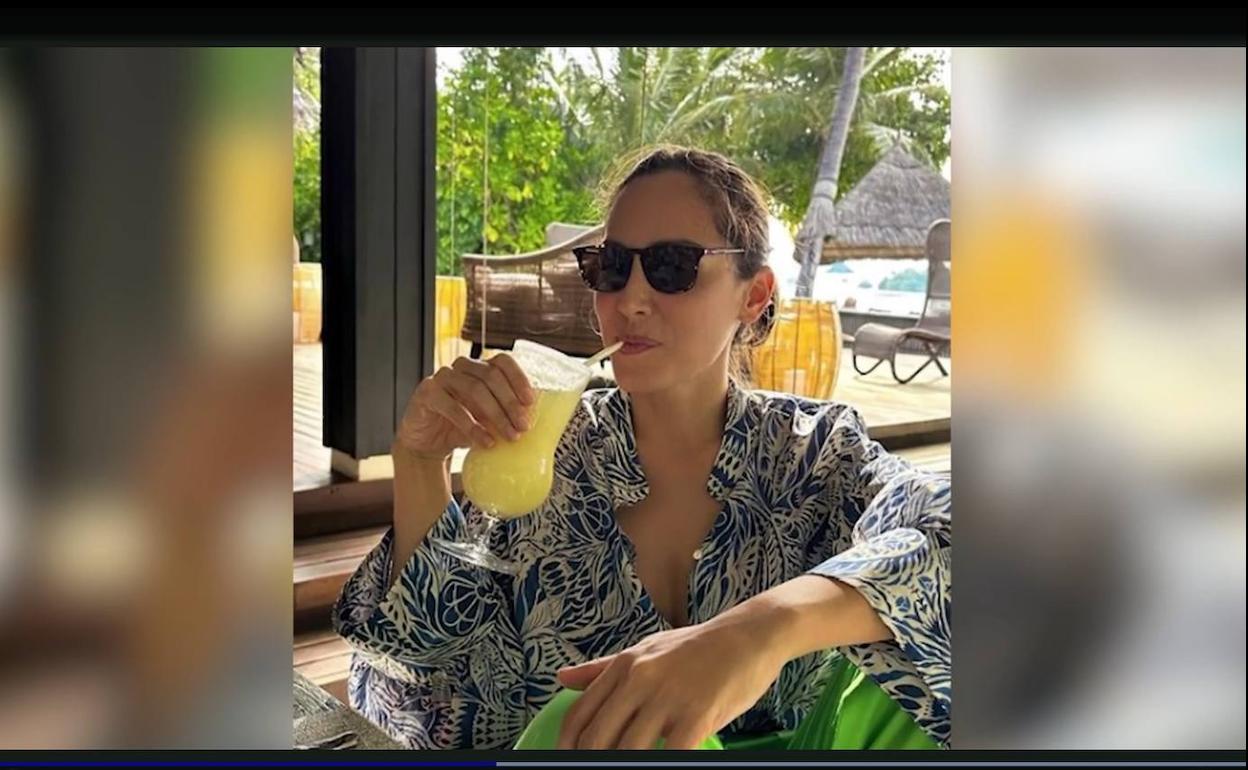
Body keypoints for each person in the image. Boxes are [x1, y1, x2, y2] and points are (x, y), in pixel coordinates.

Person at [333, 146, 950, 750]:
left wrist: (761, 630)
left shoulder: (817, 453)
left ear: (754, 295)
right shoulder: (548, 445)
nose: (628, 301)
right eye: (610, 267)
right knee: (609, 719)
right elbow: (426, 666)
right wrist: (420, 463)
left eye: (672, 266)